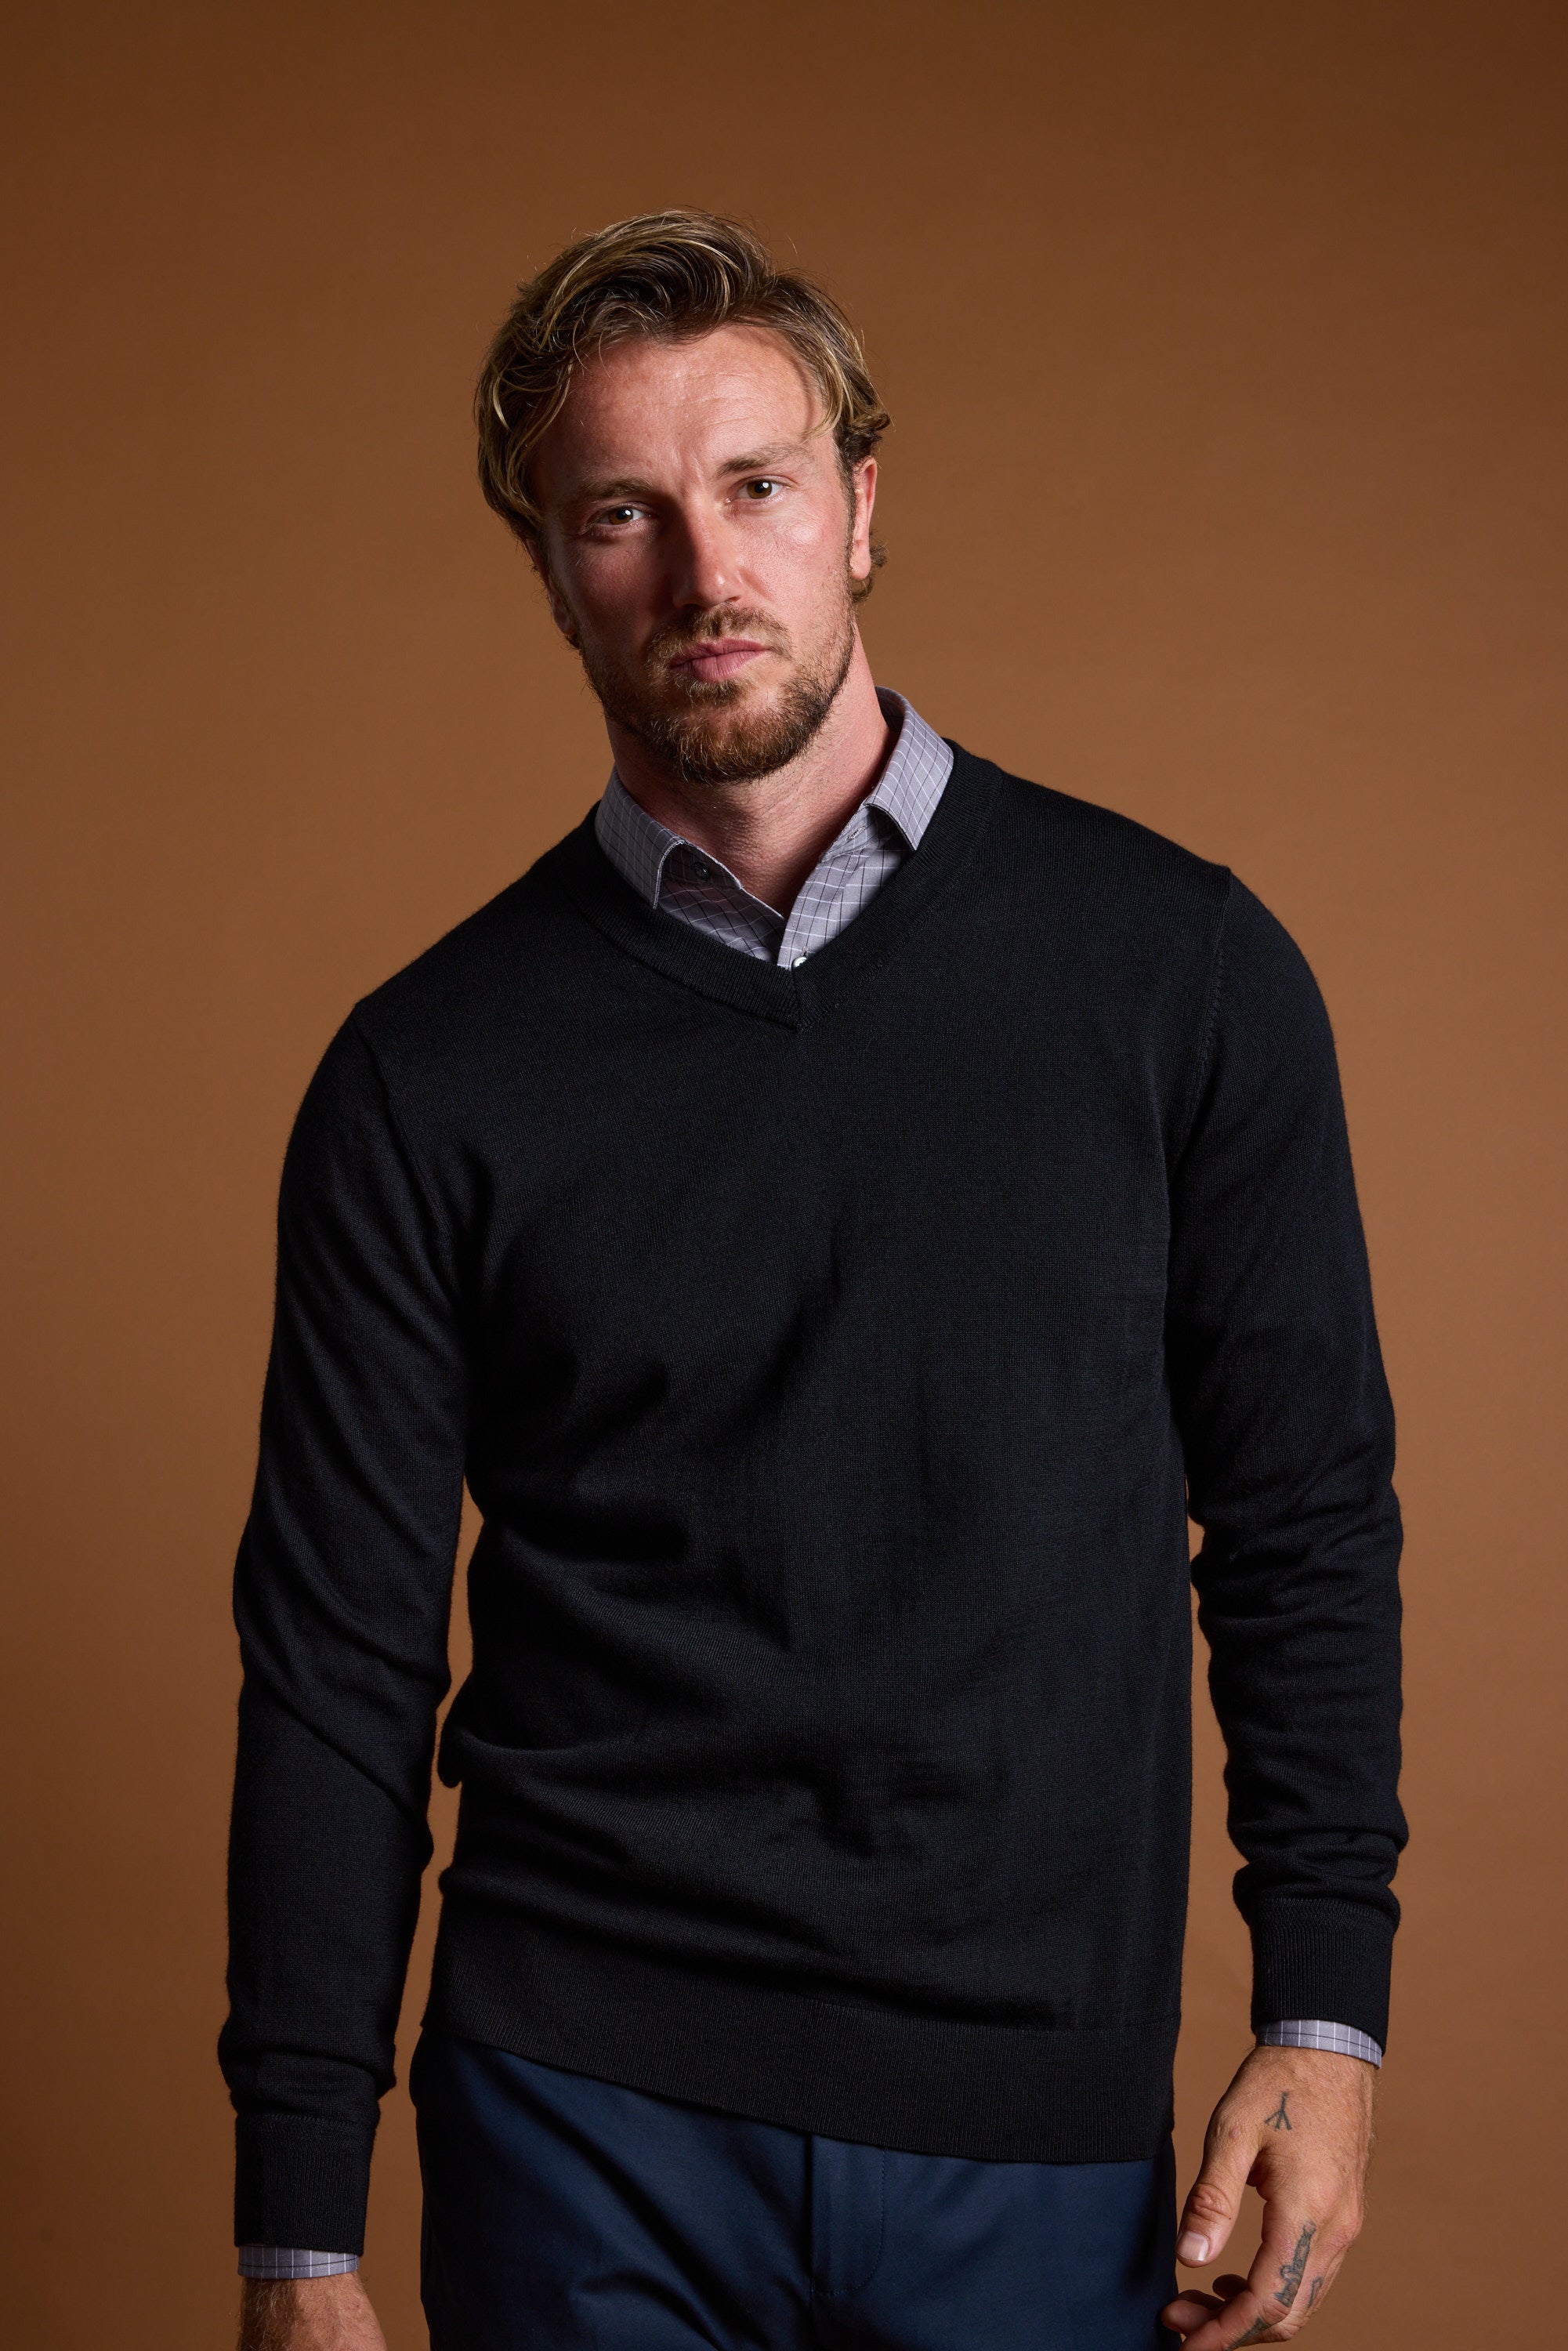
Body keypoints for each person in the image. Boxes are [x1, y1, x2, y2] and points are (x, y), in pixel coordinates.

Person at [222, 211, 1404, 2351]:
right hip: (577, 2114)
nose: (705, 570)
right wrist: (299, 2228)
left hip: (1030, 2122)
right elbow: (337, 1658)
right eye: (620, 513)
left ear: (860, 510)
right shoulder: (428, 1071)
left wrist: (1326, 2017)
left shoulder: (1182, 972)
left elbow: (1303, 1518)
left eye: (754, 486)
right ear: (553, 571)